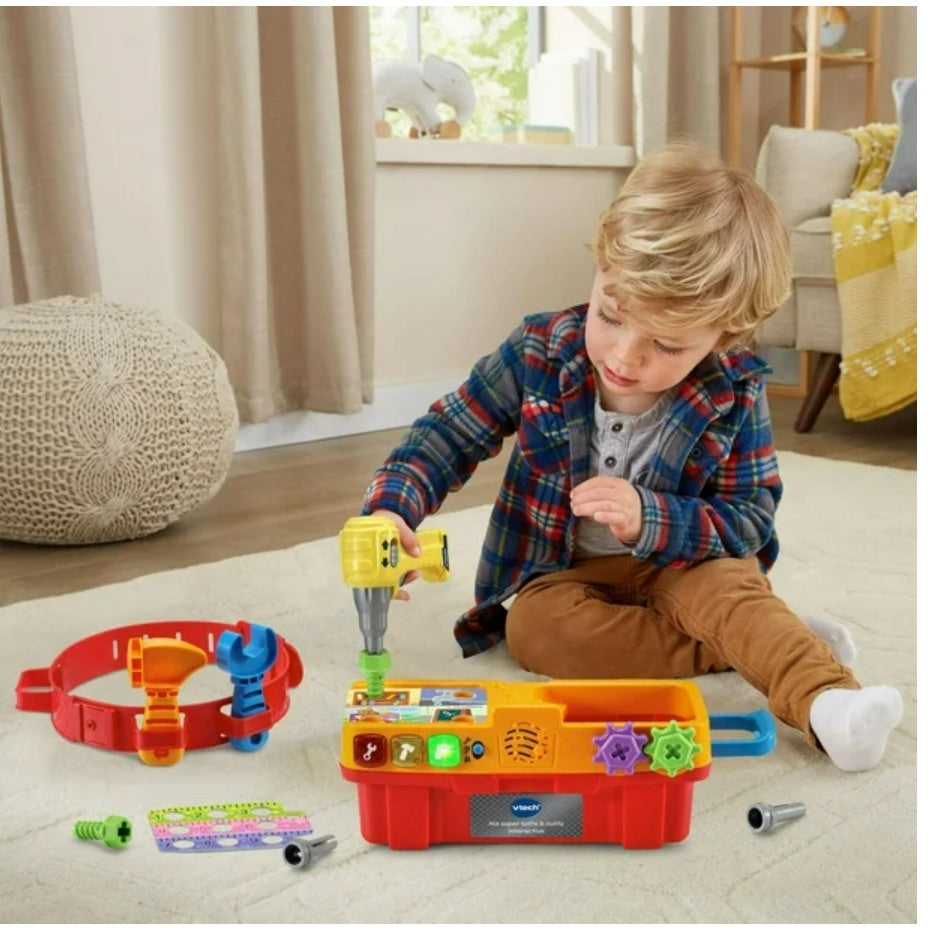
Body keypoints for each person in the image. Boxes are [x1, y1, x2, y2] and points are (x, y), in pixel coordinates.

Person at [359, 139, 902, 772]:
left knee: (730, 590)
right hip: (562, 573)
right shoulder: (540, 351)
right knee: (535, 634)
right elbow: (447, 433)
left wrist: (652, 518)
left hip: (687, 563)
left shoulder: (735, 390)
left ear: (723, 336)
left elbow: (749, 520)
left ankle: (827, 701)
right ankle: (769, 641)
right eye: (611, 315)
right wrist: (392, 509)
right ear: (600, 265)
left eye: (667, 345)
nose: (624, 356)